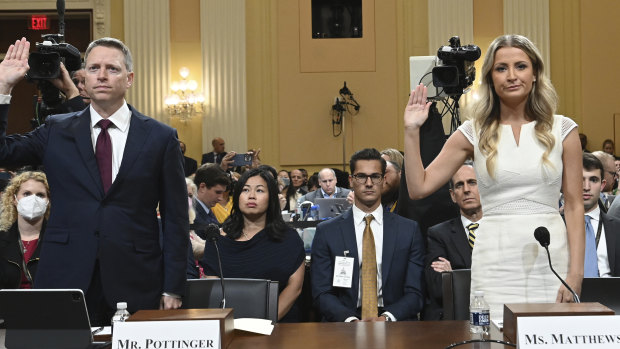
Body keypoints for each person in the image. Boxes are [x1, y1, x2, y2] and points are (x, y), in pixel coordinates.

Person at [0, 38, 189, 324]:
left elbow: (176, 218)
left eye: (112, 68)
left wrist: (173, 286)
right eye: (93, 68)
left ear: (130, 78)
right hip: (65, 274)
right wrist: (4, 87)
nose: (101, 75)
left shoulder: (161, 138)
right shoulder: (55, 129)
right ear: (83, 79)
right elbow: (3, 152)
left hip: (136, 276)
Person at [403, 34, 584, 320]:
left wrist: (576, 273)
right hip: (494, 259)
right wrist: (411, 131)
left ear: (535, 73)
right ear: (490, 77)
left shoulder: (563, 130)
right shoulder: (473, 132)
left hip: (551, 257)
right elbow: (418, 187)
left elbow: (574, 206)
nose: (511, 76)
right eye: (501, 68)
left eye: (521, 66)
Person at [311, 148, 424, 322]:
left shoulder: (408, 230)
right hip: (343, 322)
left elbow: (415, 293)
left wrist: (386, 318)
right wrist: (350, 320)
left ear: (383, 180)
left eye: (375, 176)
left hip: (394, 322)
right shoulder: (327, 231)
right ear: (351, 181)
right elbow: (322, 292)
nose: (369, 183)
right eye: (361, 176)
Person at [200, 168, 305, 322]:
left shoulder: (289, 238)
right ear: (237, 197)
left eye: (260, 190)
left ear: (271, 198)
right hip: (229, 325)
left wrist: (265, 321)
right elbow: (213, 288)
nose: (251, 196)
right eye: (245, 190)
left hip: (278, 325)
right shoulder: (217, 240)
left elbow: (294, 288)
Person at [424, 162, 481, 320]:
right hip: (455, 319)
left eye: (472, 182)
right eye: (459, 185)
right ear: (452, 195)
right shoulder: (438, 234)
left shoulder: (499, 229)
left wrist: (454, 275)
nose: (466, 190)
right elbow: (438, 287)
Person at [0, 171, 50, 289]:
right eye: (26, 194)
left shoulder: (58, 242)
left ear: (48, 201)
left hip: (47, 305)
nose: (33, 199)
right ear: (14, 199)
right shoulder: (1, 240)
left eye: (40, 195)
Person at [581, 153, 620, 277]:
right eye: (580, 179)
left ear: (602, 185)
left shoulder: (617, 228)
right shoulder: (558, 226)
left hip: (611, 294)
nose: (586, 187)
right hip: (569, 295)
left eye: (593, 180)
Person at [193, 164, 231, 239]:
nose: (220, 198)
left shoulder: (206, 209)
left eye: (223, 193)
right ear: (202, 187)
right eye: (218, 192)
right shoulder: (192, 215)